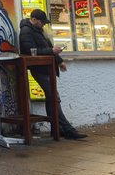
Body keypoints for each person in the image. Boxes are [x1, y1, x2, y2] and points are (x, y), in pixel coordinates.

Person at [18, 9, 87, 140]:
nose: (43, 24)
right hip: (39, 68)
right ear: (34, 20)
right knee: (54, 97)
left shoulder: (38, 30)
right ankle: (67, 129)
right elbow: (29, 50)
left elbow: (47, 47)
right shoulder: (26, 31)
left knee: (52, 98)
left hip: (46, 67)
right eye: (42, 22)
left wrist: (59, 61)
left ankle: (57, 129)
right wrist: (51, 51)